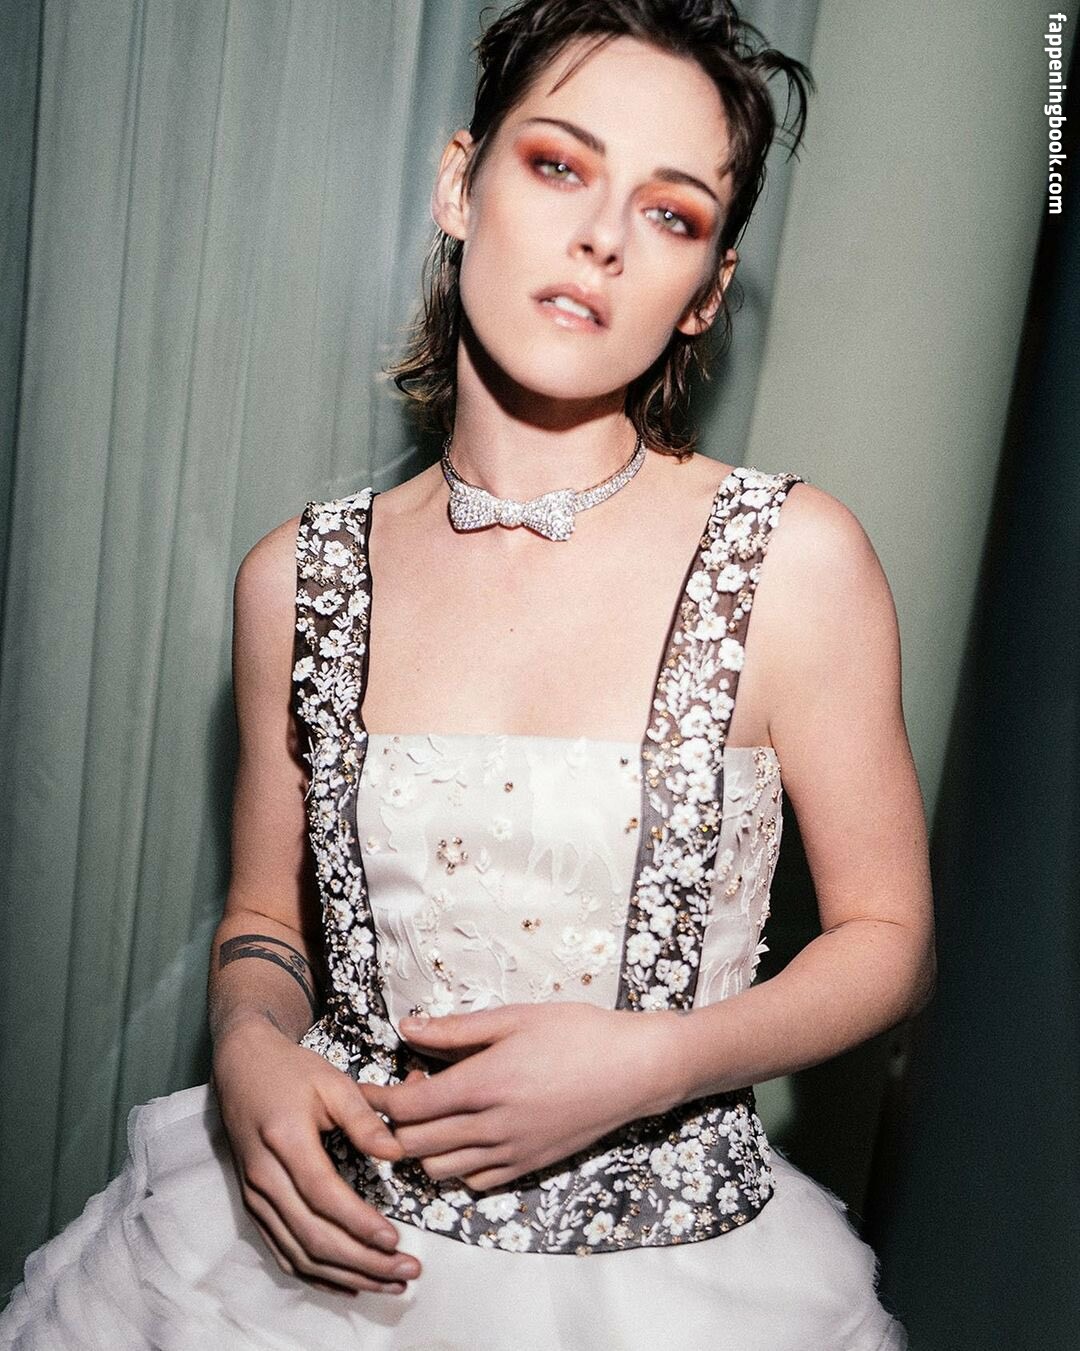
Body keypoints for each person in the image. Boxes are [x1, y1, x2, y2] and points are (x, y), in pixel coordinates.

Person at [1, 1, 935, 1346]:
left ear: (707, 290)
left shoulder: (796, 560)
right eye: (559, 165)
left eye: (670, 213)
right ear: (459, 183)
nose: (603, 236)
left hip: (673, 1289)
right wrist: (251, 1044)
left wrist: (656, 1060)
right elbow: (265, 919)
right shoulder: (297, 579)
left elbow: (888, 941)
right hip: (321, 1268)